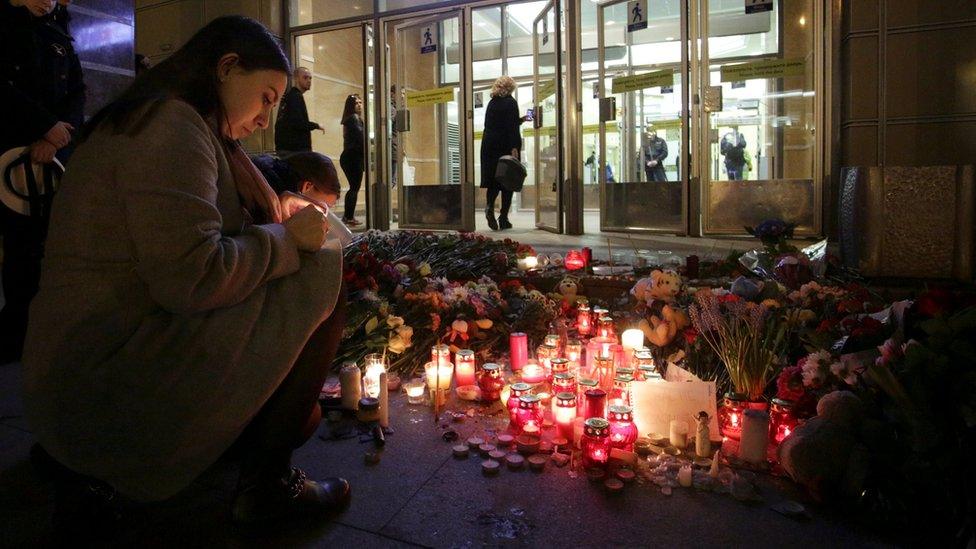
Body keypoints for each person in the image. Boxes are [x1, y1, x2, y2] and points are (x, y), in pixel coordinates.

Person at [22, 16, 350, 537]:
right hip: (104, 378)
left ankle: (232, 451)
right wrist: (289, 240)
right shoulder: (168, 127)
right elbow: (192, 277)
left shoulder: (169, 122)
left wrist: (274, 214)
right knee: (325, 268)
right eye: (265, 97)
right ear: (226, 68)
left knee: (302, 410)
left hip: (91, 356)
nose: (266, 119)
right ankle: (267, 487)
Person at [0, 0, 86, 363]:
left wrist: (55, 135)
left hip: (53, 157)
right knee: (20, 248)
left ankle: (41, 333)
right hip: (9, 155)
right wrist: (43, 127)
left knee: (47, 247)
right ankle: (15, 336)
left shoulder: (60, 34)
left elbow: (78, 91)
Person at [252, 152, 353, 246]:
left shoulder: (264, 174)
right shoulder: (268, 205)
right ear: (307, 186)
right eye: (322, 210)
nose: (324, 219)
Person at [480, 75, 524, 231]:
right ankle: (504, 218)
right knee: (508, 181)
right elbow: (511, 127)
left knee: (493, 180)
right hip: (505, 145)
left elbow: (498, 123)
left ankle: (489, 207)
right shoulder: (511, 102)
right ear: (510, 87)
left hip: (489, 145)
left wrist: (520, 119)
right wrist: (514, 147)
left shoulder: (492, 103)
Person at [274, 66, 321, 154]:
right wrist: (316, 125)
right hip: (294, 151)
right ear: (296, 79)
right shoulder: (295, 96)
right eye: (305, 77)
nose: (309, 81)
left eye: (310, 78)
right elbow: (298, 123)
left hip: (286, 149)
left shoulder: (290, 96)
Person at [339, 94, 365, 226]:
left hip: (349, 157)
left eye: (360, 102)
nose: (360, 105)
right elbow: (361, 138)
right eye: (357, 103)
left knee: (353, 187)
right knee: (354, 188)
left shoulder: (350, 119)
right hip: (353, 157)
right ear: (351, 105)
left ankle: (348, 216)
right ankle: (348, 217)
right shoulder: (354, 119)